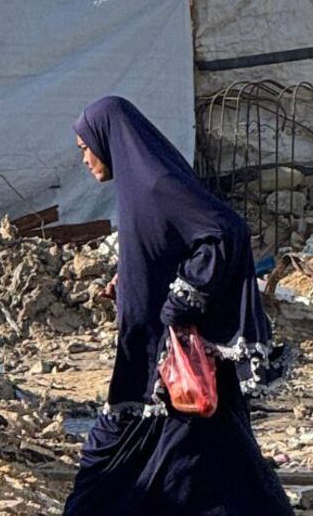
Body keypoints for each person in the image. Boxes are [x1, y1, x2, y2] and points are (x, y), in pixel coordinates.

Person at [64, 96, 293, 515]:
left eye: (84, 147)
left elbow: (224, 232)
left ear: (106, 139)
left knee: (117, 457)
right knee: (211, 449)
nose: (83, 159)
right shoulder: (140, 188)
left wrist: (179, 301)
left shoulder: (156, 186)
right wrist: (132, 279)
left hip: (165, 357)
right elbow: (168, 245)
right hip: (152, 350)